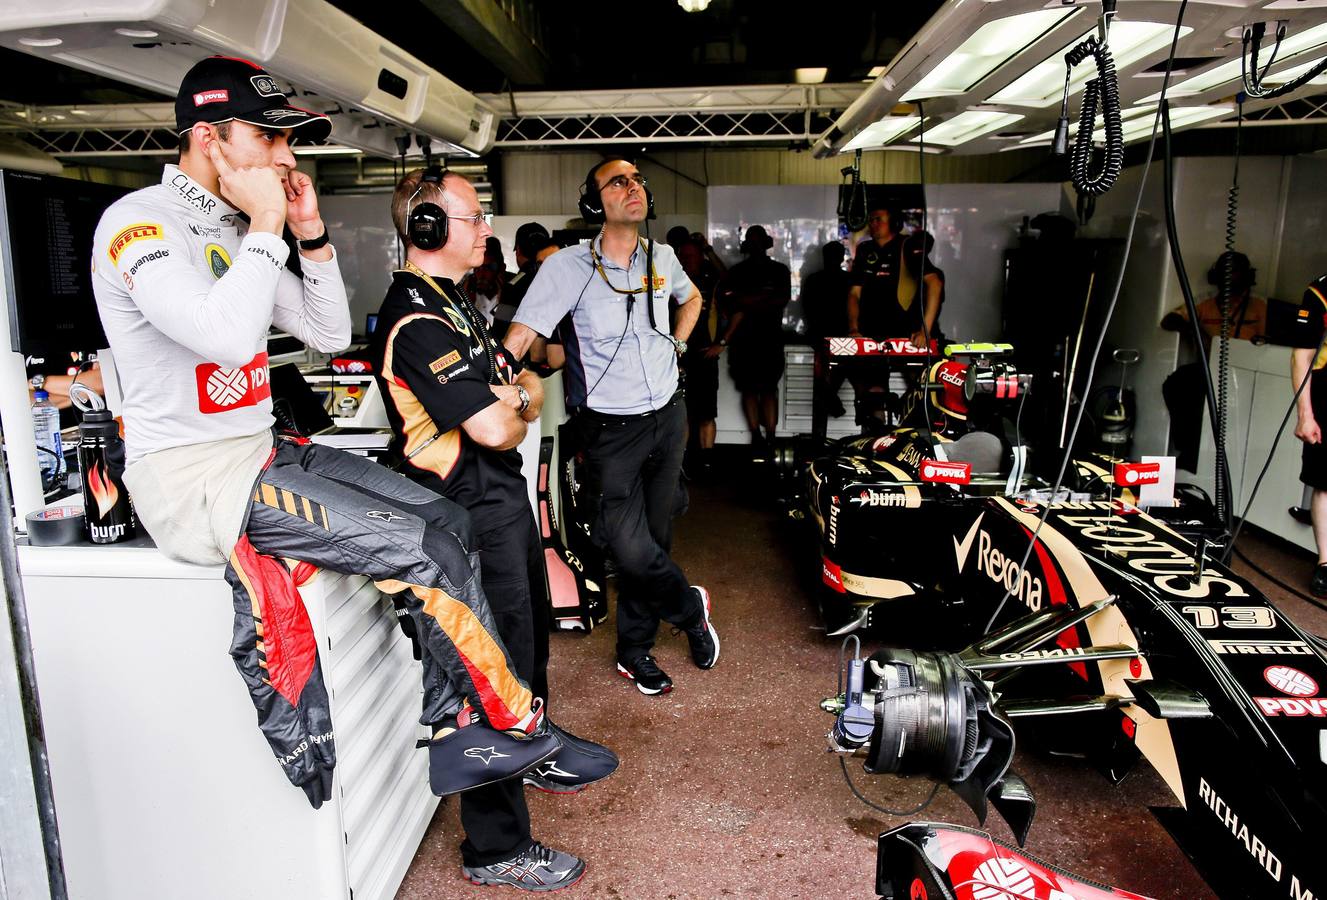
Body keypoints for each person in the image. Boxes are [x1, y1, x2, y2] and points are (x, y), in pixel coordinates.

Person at [91, 55, 555, 820]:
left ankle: (454, 727)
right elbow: (222, 336)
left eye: (289, 140)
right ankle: (507, 721)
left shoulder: (236, 228)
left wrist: (308, 236)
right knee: (420, 544)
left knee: (448, 519)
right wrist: (269, 225)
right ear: (208, 138)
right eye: (269, 137)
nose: (287, 157)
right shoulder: (139, 223)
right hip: (194, 479)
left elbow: (328, 330)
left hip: (261, 450)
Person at [372, 167, 615, 891]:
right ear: (426, 227)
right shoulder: (416, 317)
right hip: (468, 519)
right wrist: (511, 405)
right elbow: (497, 425)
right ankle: (495, 849)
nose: (486, 230)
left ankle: (526, 757)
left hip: (496, 512)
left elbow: (528, 385)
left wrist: (514, 401)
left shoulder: (452, 304)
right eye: (473, 218)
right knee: (493, 678)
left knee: (522, 663)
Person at [503, 157, 719, 696]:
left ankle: (634, 651)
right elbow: (521, 333)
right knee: (627, 548)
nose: (633, 188)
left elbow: (691, 298)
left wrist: (679, 342)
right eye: (618, 182)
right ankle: (691, 609)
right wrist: (495, 383)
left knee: (657, 537)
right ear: (594, 201)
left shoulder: (663, 258)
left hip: (668, 418)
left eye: (639, 180)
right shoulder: (567, 268)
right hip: (609, 430)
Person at [1162, 251, 1268, 471]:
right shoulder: (1206, 304)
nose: (1231, 277)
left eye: (1236, 272)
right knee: (1177, 383)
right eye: (1226, 272)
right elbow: (1170, 320)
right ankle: (1190, 449)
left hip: (1250, 372)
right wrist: (1191, 327)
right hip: (1211, 369)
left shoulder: (1260, 307)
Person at [716, 225, 791, 450]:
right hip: (747, 339)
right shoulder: (739, 271)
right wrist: (761, 298)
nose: (756, 246)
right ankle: (759, 436)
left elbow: (781, 300)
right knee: (752, 389)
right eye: (754, 241)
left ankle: (768, 436)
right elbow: (730, 301)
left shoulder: (778, 270)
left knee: (767, 389)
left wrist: (746, 300)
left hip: (766, 338)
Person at [1292, 273, 1327, 596]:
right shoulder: (1321, 291)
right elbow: (1302, 355)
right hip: (1326, 396)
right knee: (1325, 482)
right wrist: (1306, 414)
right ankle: (1325, 564)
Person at [677, 238, 721, 472]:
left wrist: (721, 343)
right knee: (680, 411)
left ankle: (707, 461)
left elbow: (734, 310)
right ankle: (681, 462)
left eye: (691, 255)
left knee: (706, 411)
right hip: (678, 357)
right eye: (683, 256)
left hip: (705, 355)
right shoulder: (671, 281)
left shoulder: (711, 280)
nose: (686, 260)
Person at [800, 241, 851, 440]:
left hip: (821, 336)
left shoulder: (815, 279)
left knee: (823, 386)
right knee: (828, 384)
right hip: (842, 338)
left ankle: (819, 436)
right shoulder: (848, 280)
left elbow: (807, 308)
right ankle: (831, 404)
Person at [899, 229, 945, 349]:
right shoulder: (909, 269)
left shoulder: (933, 275)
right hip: (911, 332)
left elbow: (935, 286)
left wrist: (924, 331)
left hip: (919, 335)